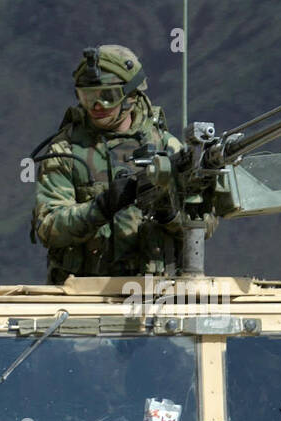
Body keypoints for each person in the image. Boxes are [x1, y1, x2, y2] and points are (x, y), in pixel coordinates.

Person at [31, 45, 186, 284]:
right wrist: (101, 207)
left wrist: (170, 214)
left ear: (131, 96)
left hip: (154, 291)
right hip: (82, 293)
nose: (97, 106)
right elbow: (48, 227)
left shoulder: (168, 148)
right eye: (88, 97)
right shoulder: (65, 150)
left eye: (108, 97)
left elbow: (202, 225)